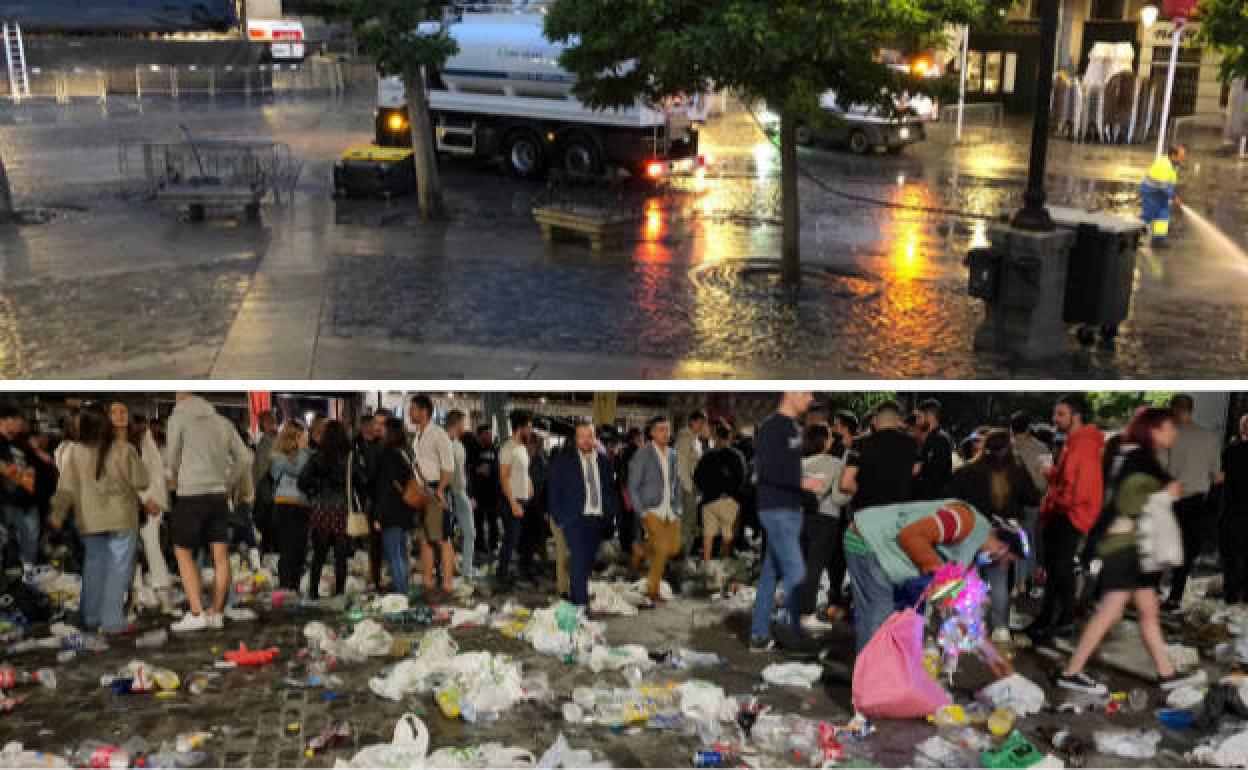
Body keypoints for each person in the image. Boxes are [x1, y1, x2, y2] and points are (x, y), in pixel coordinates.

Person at [1055, 407, 1205, 695]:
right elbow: (1125, 503)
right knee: (1112, 612)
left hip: (1128, 547)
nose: (1173, 433)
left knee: (1146, 611)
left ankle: (1166, 673)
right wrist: (1166, 494)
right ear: (1152, 430)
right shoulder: (1140, 459)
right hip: (1127, 549)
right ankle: (1071, 672)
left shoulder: (1130, 455)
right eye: (1168, 428)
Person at [844, 497, 1018, 656]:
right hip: (868, 539)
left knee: (906, 619)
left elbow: (951, 601)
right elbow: (912, 535)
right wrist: (940, 575)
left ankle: (893, 670)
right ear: (1002, 547)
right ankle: (872, 676)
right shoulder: (964, 520)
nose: (1002, 566)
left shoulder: (971, 553)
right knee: (879, 617)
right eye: (1007, 560)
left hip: (887, 553)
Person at [49, 409, 148, 634]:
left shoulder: (73, 452)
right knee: (117, 571)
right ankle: (112, 621)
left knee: (94, 569)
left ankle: (92, 617)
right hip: (122, 520)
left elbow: (65, 487)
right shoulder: (124, 449)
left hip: (90, 520)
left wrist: (58, 513)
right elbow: (142, 481)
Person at [166, 393, 252, 632]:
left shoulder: (178, 417)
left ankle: (197, 613)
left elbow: (171, 459)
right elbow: (245, 459)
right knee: (220, 556)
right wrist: (227, 482)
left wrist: (174, 474)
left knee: (183, 553)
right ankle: (216, 613)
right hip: (218, 496)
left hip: (190, 494)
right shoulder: (223, 422)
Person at [750, 392, 826, 655]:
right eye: (804, 392)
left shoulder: (793, 428)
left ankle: (762, 635)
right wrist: (803, 483)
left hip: (786, 510)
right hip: (776, 511)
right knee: (792, 573)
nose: (809, 398)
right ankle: (787, 634)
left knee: (772, 574)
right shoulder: (773, 427)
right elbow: (764, 472)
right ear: (789, 392)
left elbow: (784, 470)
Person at [946, 429, 1040, 640]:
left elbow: (950, 498)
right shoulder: (1017, 472)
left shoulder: (966, 472)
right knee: (999, 582)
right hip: (1003, 536)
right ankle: (1000, 628)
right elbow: (1033, 498)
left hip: (972, 533)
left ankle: (967, 624)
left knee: (968, 578)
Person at [1026, 394, 1104, 645]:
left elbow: (1077, 491)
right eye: (1055, 413)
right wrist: (1051, 474)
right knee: (1057, 569)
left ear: (1076, 416)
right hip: (1064, 512)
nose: (1054, 419)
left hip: (1070, 514)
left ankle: (1059, 620)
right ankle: (1053, 619)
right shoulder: (1075, 442)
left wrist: (1053, 495)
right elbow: (1068, 481)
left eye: (1060, 414)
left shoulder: (1083, 445)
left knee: (1059, 569)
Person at [1162, 393, 1224, 613]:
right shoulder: (1210, 437)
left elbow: (1159, 468)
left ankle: (1151, 592)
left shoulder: (1167, 434)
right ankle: (1174, 598)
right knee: (1186, 551)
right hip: (1197, 503)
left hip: (1171, 499)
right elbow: (1216, 476)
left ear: (1174, 409)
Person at [549, 420, 620, 608]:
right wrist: (559, 518)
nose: (586, 440)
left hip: (597, 520)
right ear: (575, 439)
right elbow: (553, 490)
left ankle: (576, 597)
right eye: (581, 436)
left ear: (595, 438)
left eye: (589, 436)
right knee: (579, 561)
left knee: (587, 561)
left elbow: (610, 490)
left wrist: (610, 514)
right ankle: (581, 606)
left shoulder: (604, 461)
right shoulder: (564, 461)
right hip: (574, 519)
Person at [116, 406, 175, 615]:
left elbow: (153, 472)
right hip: (141, 504)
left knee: (145, 549)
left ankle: (147, 594)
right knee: (145, 549)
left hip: (148, 505)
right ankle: (146, 594)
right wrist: (148, 499)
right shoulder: (134, 445)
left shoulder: (143, 443)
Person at [796, 423, 852, 633]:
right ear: (825, 441)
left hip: (800, 518)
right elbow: (838, 497)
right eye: (830, 437)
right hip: (825, 520)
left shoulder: (799, 463)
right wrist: (851, 492)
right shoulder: (835, 463)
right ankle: (806, 615)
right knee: (814, 568)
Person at [628, 416, 684, 607]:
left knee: (674, 548)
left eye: (667, 429)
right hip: (651, 509)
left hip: (671, 509)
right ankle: (652, 592)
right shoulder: (642, 453)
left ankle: (640, 549)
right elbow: (632, 485)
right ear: (652, 433)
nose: (666, 433)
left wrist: (679, 506)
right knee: (661, 550)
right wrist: (641, 511)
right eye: (661, 429)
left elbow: (676, 482)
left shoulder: (673, 454)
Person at [300, 420, 356, 599]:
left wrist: (314, 491)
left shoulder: (318, 456)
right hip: (342, 510)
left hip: (322, 510)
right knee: (341, 557)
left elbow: (302, 481)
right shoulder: (350, 458)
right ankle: (339, 594)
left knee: (319, 555)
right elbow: (362, 480)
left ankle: (313, 593)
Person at [409, 395, 456, 601]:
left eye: (413, 409)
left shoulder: (439, 434)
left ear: (424, 411)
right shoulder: (417, 435)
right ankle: (427, 583)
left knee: (443, 539)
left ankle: (447, 585)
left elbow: (448, 467)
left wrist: (441, 491)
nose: (410, 413)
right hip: (421, 492)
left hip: (437, 489)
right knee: (425, 539)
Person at [840, 400, 920, 515]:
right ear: (898, 422)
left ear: (875, 421)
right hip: (899, 513)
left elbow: (846, 483)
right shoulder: (912, 444)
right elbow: (916, 470)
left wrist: (864, 491)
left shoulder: (859, 444)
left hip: (867, 512)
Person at [371, 418, 416, 595]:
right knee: (401, 554)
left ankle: (400, 594)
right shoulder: (406, 453)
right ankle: (403, 591)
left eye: (383, 429)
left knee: (394, 555)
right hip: (405, 510)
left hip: (391, 512)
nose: (380, 431)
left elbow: (383, 489)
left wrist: (378, 516)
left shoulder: (388, 456)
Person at [693, 420, 748, 563]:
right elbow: (742, 478)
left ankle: (707, 565)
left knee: (708, 534)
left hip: (709, 500)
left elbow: (697, 477)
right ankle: (726, 563)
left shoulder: (706, 456)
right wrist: (731, 492)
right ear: (729, 437)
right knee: (727, 533)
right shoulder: (737, 456)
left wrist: (707, 491)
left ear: (716, 436)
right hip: (728, 500)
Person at [269, 421, 312, 592]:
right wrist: (302, 450)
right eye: (304, 434)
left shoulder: (305, 454)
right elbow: (299, 471)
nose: (307, 437)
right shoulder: (278, 457)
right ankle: (286, 589)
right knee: (288, 551)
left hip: (302, 507)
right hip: (285, 507)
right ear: (294, 437)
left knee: (300, 552)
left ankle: (293, 588)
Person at [497, 411, 535, 591]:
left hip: (523, 499)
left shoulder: (522, 447)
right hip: (511, 501)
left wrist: (530, 484)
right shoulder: (508, 448)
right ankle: (502, 576)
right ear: (521, 428)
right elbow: (504, 478)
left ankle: (510, 571)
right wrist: (513, 503)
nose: (531, 430)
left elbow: (524, 471)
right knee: (510, 539)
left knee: (519, 539)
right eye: (529, 426)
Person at [1011, 412, 1050, 588]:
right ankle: (1028, 579)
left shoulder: (1007, 447)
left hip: (1009, 504)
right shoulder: (1042, 449)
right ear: (1029, 428)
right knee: (1029, 540)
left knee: (1012, 541)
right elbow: (1046, 479)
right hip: (1033, 501)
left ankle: (1016, 581)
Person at [0, 406, 40, 570]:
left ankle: (28, 573)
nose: (21, 423)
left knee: (30, 538)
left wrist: (31, 470)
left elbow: (31, 466)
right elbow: (6, 470)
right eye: (16, 419)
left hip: (27, 500)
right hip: (6, 500)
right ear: (4, 420)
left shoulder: (21, 442)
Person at [445, 410, 477, 583]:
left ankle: (466, 570)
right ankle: (449, 570)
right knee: (446, 535)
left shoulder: (458, 444)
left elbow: (462, 472)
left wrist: (468, 494)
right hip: (448, 493)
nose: (465, 426)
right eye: (463, 422)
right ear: (457, 423)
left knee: (469, 533)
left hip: (459, 492)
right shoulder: (444, 442)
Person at [1222, 415, 1248, 605]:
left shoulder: (1231, 451)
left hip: (1234, 510)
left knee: (1231, 554)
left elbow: (1220, 477)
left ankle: (1231, 594)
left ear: (1242, 429)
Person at [1139, 144, 1185, 248]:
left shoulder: (1171, 164)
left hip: (1160, 194)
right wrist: (1174, 197)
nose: (1183, 159)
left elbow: (1168, 184)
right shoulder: (1164, 166)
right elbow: (1163, 186)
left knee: (1163, 216)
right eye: (1181, 156)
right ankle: (1132, 236)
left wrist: (1173, 196)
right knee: (1147, 216)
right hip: (1151, 194)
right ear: (1173, 155)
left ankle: (1158, 240)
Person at [676, 410, 707, 562]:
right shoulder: (685, 438)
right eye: (700, 422)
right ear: (692, 422)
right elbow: (681, 464)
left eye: (703, 423)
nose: (702, 426)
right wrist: (688, 488)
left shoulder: (696, 440)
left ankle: (684, 553)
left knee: (691, 521)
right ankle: (680, 554)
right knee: (688, 521)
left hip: (693, 486)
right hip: (686, 485)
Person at [470, 425, 501, 570]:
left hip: (493, 493)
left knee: (493, 521)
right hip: (478, 493)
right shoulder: (474, 449)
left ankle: (494, 546)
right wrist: (478, 469)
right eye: (487, 434)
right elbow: (470, 467)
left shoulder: (495, 449)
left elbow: (499, 466)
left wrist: (490, 469)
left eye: (490, 434)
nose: (489, 436)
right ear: (480, 435)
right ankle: (480, 547)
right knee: (478, 521)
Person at [914, 399, 954, 500]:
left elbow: (936, 476)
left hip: (934, 500)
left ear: (930, 416)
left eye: (919, 417)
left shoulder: (940, 439)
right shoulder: (931, 438)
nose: (917, 422)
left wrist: (919, 468)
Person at [251, 410, 278, 558]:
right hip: (273, 493)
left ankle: (269, 559)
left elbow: (262, 471)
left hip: (266, 495)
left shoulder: (267, 441)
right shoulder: (277, 439)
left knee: (267, 532)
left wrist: (265, 497)